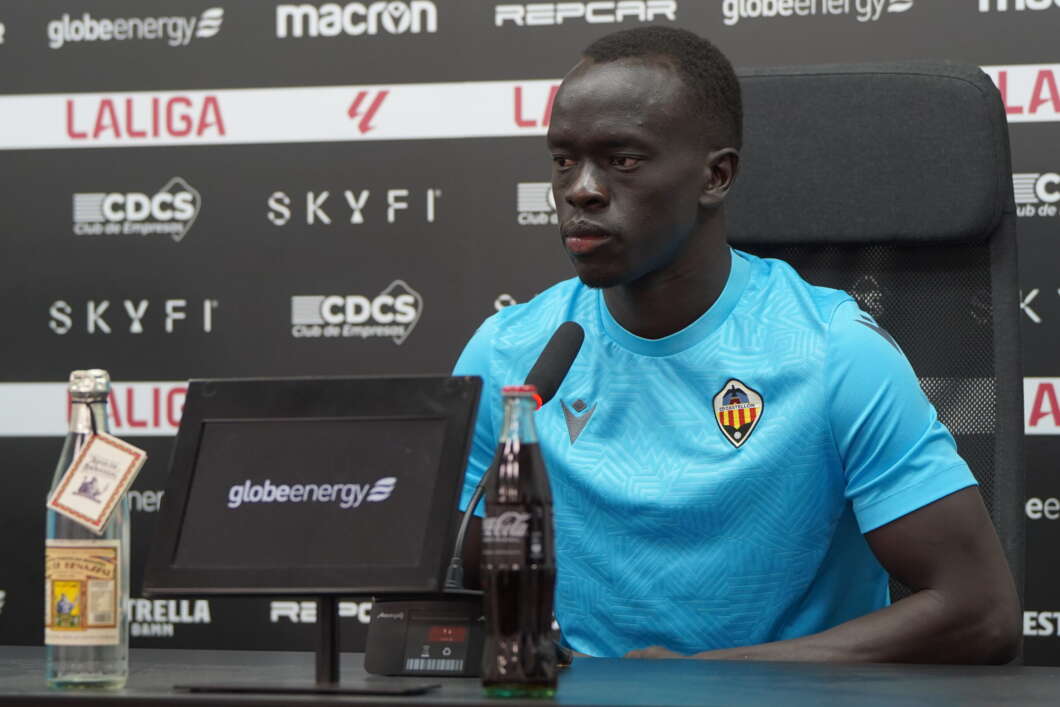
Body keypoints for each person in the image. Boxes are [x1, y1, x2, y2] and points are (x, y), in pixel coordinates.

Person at [453, 26, 1020, 663]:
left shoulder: (833, 353)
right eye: (564, 160)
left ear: (715, 177)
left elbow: (981, 612)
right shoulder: (511, 356)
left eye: (623, 160)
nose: (581, 189)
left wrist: (703, 682)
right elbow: (457, 589)